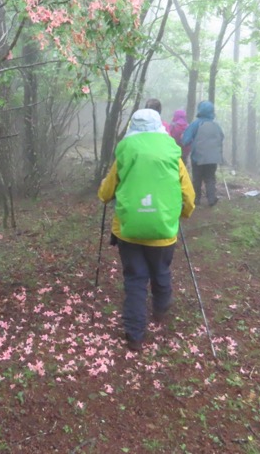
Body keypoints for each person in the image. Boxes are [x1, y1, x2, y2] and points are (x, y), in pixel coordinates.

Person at [98, 109, 195, 351]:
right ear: (159, 127)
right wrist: (182, 213)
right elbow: (188, 193)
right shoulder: (172, 152)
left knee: (135, 279)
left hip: (129, 231)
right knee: (161, 270)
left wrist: (103, 195)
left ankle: (134, 335)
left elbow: (107, 191)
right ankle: (161, 309)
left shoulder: (125, 151)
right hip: (163, 230)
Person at [181, 100, 224, 207]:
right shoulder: (216, 125)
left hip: (198, 156)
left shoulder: (195, 124)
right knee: (210, 177)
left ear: (200, 110)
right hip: (213, 157)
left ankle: (196, 199)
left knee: (197, 178)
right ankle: (211, 199)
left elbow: (185, 140)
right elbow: (221, 137)